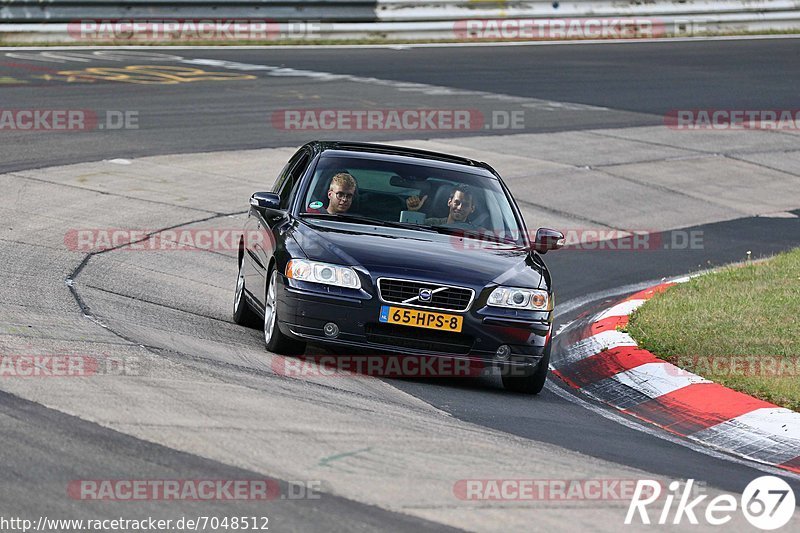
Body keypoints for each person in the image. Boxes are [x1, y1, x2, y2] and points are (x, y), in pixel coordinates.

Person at [405, 185, 476, 226]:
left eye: (465, 205)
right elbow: (407, 233)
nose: (460, 207)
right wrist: (412, 212)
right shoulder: (430, 224)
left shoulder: (474, 233)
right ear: (449, 202)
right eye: (457, 202)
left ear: (472, 209)